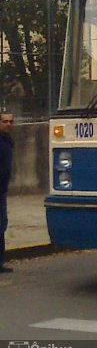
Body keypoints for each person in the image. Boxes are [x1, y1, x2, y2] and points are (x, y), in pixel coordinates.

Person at [0, 111, 14, 273]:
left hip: (2, 190)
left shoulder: (8, 141)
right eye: (5, 122)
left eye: (11, 122)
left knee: (2, 226)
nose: (8, 124)